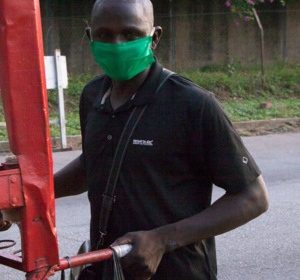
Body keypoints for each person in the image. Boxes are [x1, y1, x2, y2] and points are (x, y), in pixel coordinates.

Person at [53, 0, 269, 279]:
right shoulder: (93, 96)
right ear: (89, 36)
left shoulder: (193, 104)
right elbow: (94, 163)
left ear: (154, 37)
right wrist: (30, 197)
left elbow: (254, 197)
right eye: (105, 35)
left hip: (179, 271)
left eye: (130, 34)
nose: (118, 45)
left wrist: (162, 240)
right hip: (112, 269)